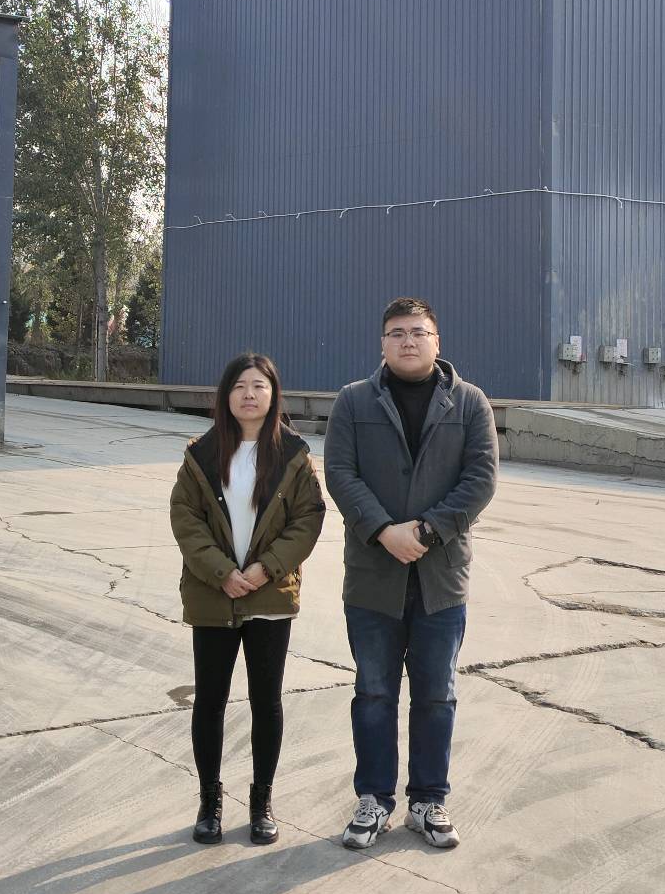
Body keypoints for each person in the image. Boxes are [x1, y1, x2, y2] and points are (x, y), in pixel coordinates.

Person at [324, 297, 498, 850]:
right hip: (373, 577)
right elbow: (340, 473)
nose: (408, 341)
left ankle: (428, 801)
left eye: (418, 332)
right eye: (397, 333)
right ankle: (374, 800)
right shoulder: (353, 401)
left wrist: (426, 531)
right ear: (382, 343)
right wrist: (382, 530)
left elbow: (480, 479)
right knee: (374, 692)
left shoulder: (470, 403)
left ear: (436, 341)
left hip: (440, 579)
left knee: (436, 695)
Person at [170, 352, 325, 845]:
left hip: (269, 597)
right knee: (209, 701)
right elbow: (185, 518)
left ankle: (262, 802)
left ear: (273, 394)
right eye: (239, 386)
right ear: (226, 395)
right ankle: (209, 802)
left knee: (266, 701)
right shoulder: (202, 454)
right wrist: (222, 573)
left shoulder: (293, 454)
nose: (249, 394)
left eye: (259, 385)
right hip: (213, 595)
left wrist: (265, 569)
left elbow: (309, 518)